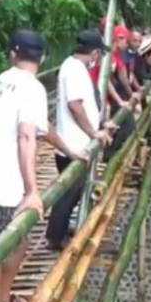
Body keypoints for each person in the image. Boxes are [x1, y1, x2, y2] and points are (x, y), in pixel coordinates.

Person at [0, 29, 84, 302]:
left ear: (12, 54)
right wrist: (32, 191)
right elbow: (27, 135)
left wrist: (69, 149)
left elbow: (41, 127)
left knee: (14, 245)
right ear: (43, 57)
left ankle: (3, 300)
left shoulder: (2, 81)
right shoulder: (32, 88)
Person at [46, 30, 115, 250]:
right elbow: (75, 105)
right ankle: (55, 237)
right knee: (69, 193)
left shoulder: (71, 66)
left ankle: (60, 229)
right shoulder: (75, 71)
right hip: (74, 146)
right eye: (99, 55)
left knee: (71, 191)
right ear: (94, 53)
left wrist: (101, 123)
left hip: (73, 143)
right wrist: (94, 132)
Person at [103, 24, 141, 161]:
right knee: (120, 125)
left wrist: (132, 94)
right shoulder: (107, 56)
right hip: (104, 100)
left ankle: (113, 154)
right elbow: (105, 80)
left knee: (126, 124)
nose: (128, 43)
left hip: (112, 98)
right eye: (126, 40)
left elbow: (124, 77)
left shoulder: (117, 56)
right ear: (118, 39)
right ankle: (109, 155)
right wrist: (120, 100)